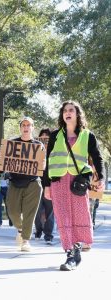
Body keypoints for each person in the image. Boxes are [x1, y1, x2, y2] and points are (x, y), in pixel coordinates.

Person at [44, 100, 105, 271]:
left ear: (77, 114)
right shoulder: (55, 135)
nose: (67, 113)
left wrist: (100, 178)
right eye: (65, 111)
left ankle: (77, 247)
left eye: (71, 110)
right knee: (63, 216)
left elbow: (97, 158)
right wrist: (47, 185)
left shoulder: (87, 135)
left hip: (77, 182)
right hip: (58, 181)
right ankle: (70, 253)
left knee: (79, 214)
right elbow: (48, 161)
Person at [5, 116, 44, 252]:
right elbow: (5, 163)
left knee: (30, 213)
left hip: (33, 183)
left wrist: (43, 165)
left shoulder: (39, 146)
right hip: (15, 182)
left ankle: (26, 240)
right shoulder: (12, 144)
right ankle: (21, 229)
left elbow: (42, 165)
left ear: (32, 128)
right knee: (13, 212)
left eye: (29, 125)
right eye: (24, 125)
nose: (26, 127)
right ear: (20, 128)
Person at [34, 128, 55, 245]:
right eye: (42, 140)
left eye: (47, 140)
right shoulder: (35, 153)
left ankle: (48, 234)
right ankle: (38, 230)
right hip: (36, 185)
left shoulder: (54, 154)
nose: (44, 143)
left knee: (50, 212)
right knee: (37, 211)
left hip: (51, 186)